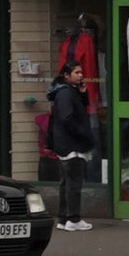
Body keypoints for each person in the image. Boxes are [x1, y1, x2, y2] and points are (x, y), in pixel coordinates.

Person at [47, 58, 96, 231]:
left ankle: (63, 218)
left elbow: (80, 109)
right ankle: (73, 219)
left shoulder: (68, 92)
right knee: (74, 183)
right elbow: (68, 119)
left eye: (81, 72)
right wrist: (83, 134)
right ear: (66, 76)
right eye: (76, 73)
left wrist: (83, 93)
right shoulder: (66, 94)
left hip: (66, 144)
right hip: (71, 145)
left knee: (66, 183)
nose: (81, 75)